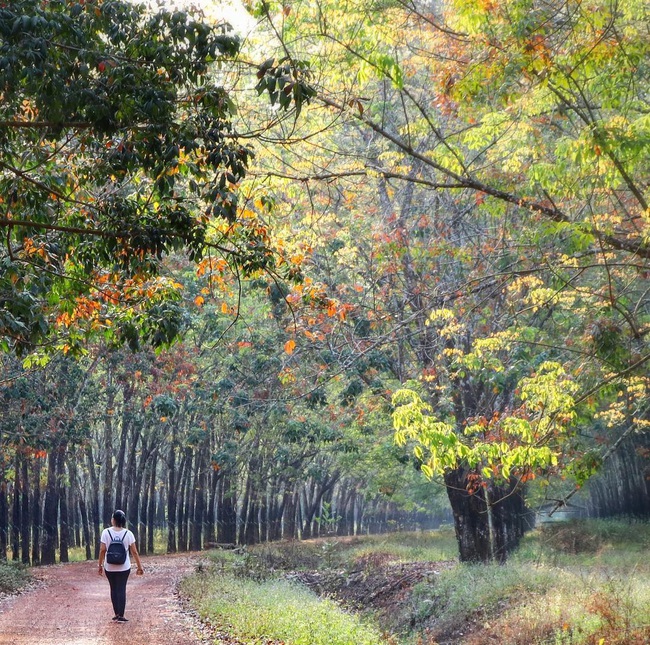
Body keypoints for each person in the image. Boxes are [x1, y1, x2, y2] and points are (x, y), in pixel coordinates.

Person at [98, 509, 144, 622]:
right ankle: (121, 615)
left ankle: (116, 614)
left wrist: (99, 565)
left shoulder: (106, 532)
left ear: (113, 520)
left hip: (109, 566)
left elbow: (102, 550)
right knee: (121, 589)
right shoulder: (128, 534)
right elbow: (134, 552)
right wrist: (139, 566)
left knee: (113, 589)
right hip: (124, 567)